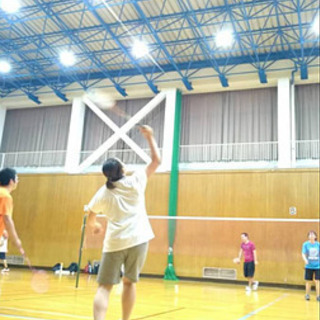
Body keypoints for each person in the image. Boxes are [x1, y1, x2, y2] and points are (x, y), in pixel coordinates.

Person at [87, 125, 161, 320]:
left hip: (114, 243)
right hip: (138, 240)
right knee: (129, 283)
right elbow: (156, 161)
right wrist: (150, 137)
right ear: (123, 169)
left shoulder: (104, 192)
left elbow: (91, 212)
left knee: (104, 287)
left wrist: (93, 225)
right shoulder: (136, 180)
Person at [0, 168, 25, 258]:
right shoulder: (5, 196)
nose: (18, 181)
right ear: (11, 181)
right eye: (17, 178)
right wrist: (15, 239)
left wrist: (2, 232)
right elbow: (7, 219)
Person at [302, 230, 320, 301]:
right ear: (308, 237)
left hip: (318, 266)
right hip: (309, 266)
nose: (311, 236)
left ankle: (318, 296)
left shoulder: (318, 245)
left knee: (317, 281)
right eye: (310, 234)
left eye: (313, 234)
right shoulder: (305, 244)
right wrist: (305, 260)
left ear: (315, 236)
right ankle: (307, 295)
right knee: (308, 281)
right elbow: (303, 253)